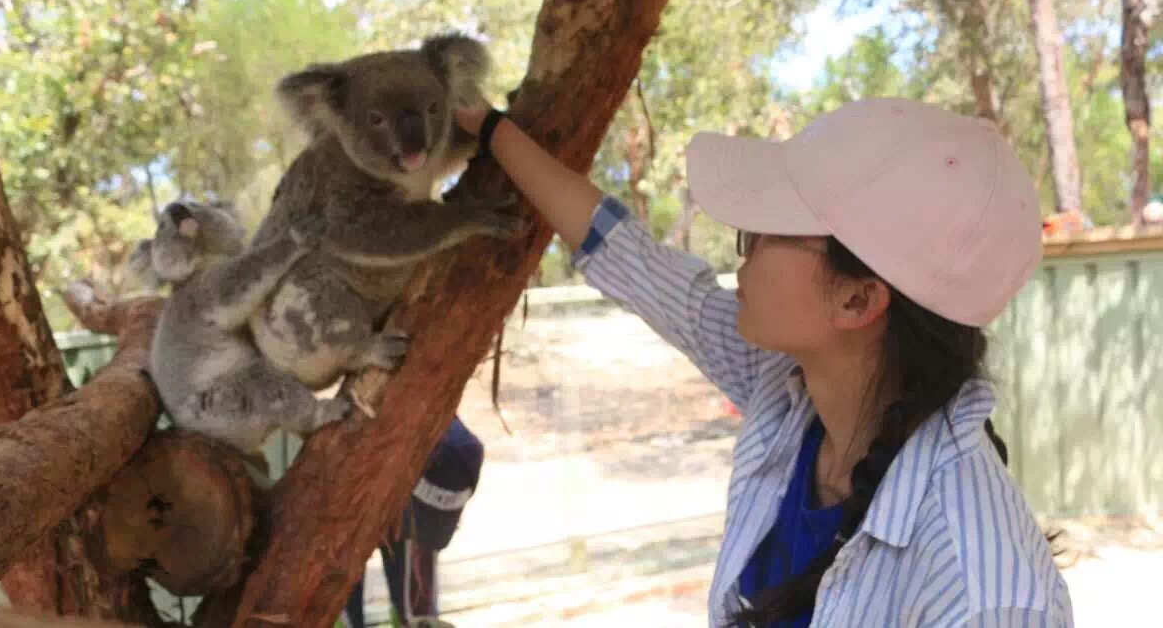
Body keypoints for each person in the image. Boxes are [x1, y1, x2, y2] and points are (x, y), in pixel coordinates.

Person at [456, 98, 1073, 627]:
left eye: (760, 234)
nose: (741, 258)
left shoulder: (983, 591)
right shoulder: (793, 391)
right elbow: (629, 255)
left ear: (857, 299)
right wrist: (487, 126)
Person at [338, 415, 484, 628]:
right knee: (338, 600)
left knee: (418, 612)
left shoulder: (458, 454)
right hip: (354, 500)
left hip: (401, 482)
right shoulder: (352, 465)